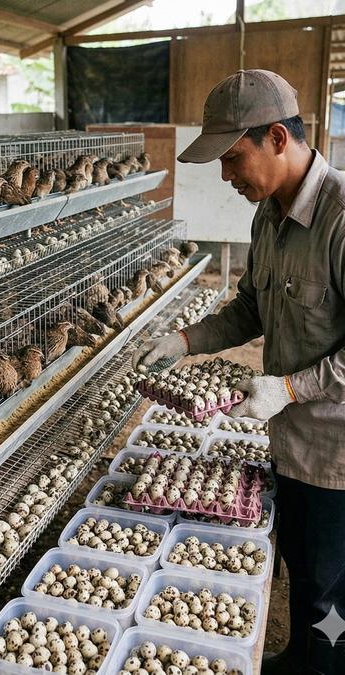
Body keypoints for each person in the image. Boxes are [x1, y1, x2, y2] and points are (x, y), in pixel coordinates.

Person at [134, 69, 345, 674]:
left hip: (336, 454)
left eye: (232, 158)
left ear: (278, 137)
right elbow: (252, 307)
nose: (226, 177)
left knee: (330, 593)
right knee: (299, 572)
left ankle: (325, 662)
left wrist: (288, 387)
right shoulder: (268, 216)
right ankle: (303, 655)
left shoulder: (339, 218)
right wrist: (186, 340)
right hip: (289, 441)